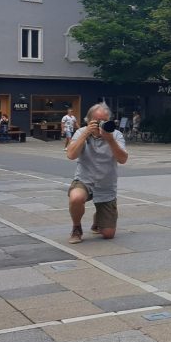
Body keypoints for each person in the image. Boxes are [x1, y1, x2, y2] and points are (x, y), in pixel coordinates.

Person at [66, 103, 128, 243]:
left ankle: (98, 219)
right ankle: (77, 227)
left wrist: (110, 140)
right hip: (84, 179)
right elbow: (71, 155)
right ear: (88, 121)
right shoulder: (81, 132)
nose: (101, 124)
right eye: (97, 121)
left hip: (106, 185)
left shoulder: (116, 135)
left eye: (105, 121)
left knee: (108, 234)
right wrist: (86, 133)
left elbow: (123, 159)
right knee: (75, 197)